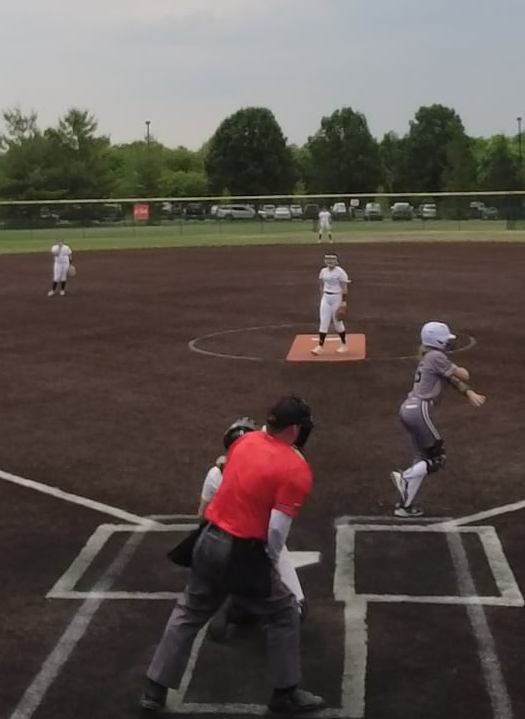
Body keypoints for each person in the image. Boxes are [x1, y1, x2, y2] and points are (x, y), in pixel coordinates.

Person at [142, 397, 322, 715]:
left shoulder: (245, 442)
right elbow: (276, 530)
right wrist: (267, 564)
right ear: (295, 430)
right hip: (242, 552)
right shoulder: (296, 469)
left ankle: (153, 691)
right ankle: (285, 693)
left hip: (206, 539)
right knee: (284, 613)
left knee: (189, 611)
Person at [197, 417, 307, 622]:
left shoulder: (215, 474)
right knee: (277, 549)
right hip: (252, 546)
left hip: (218, 544)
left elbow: (202, 515)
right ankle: (295, 602)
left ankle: (233, 603)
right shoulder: (266, 473)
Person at [390, 321, 486, 517]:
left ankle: (405, 506)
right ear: (438, 341)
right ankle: (405, 477)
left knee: (422, 459)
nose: (449, 343)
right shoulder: (436, 356)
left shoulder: (429, 357)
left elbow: (451, 379)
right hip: (420, 410)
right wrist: (461, 373)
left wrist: (468, 393)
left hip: (409, 409)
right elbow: (463, 374)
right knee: (437, 458)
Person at [312, 253, 350, 355]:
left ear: (336, 261)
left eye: (332, 259)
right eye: (328, 259)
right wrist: (322, 298)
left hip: (336, 297)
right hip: (326, 297)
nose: (330, 261)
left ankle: (344, 344)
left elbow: (344, 287)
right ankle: (320, 346)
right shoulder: (323, 271)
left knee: (337, 322)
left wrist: (343, 302)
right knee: (324, 322)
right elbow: (321, 285)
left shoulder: (340, 272)